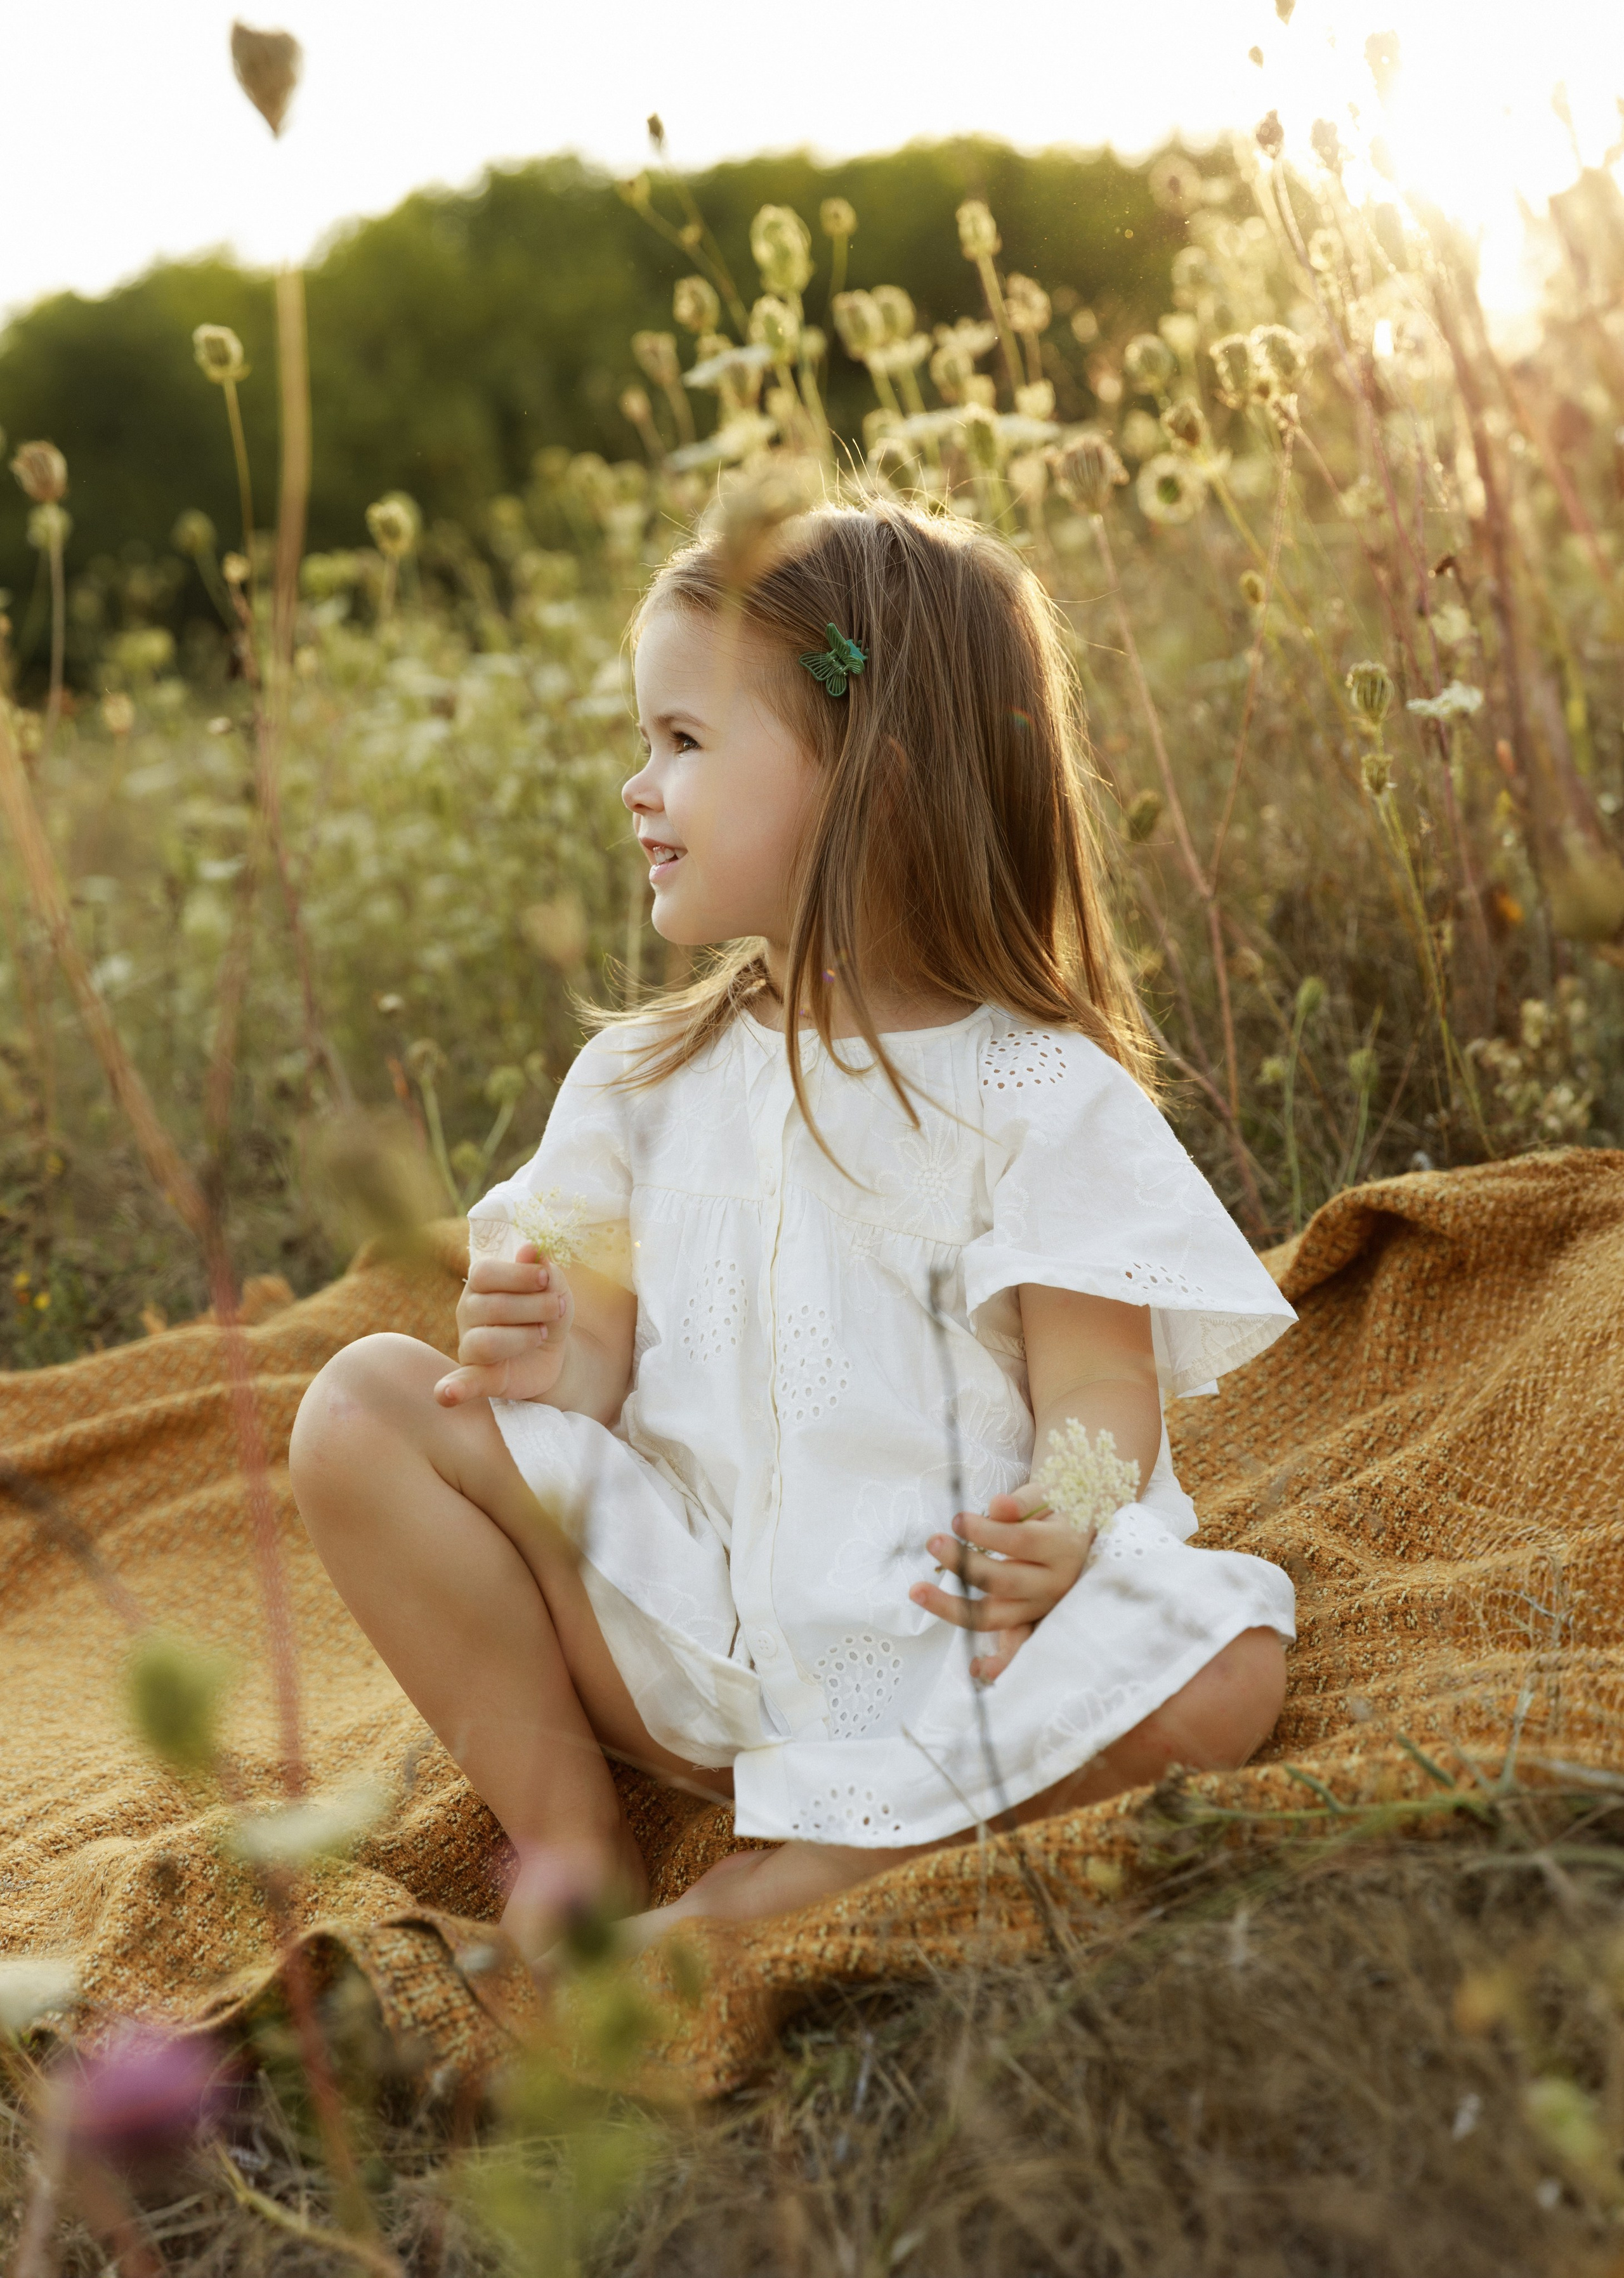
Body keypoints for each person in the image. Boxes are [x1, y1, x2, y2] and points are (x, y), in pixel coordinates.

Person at [289, 501, 1297, 1960]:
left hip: (954, 1647)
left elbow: (1097, 1381)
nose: (638, 786)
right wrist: (542, 1348)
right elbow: (590, 1375)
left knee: (1226, 1660)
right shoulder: (639, 1081)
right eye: (644, 741)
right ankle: (573, 1845)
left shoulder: (1035, 1092)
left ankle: (782, 1887)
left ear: (869, 780)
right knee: (359, 1408)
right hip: (687, 1630)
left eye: (682, 740)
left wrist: (1070, 1515)